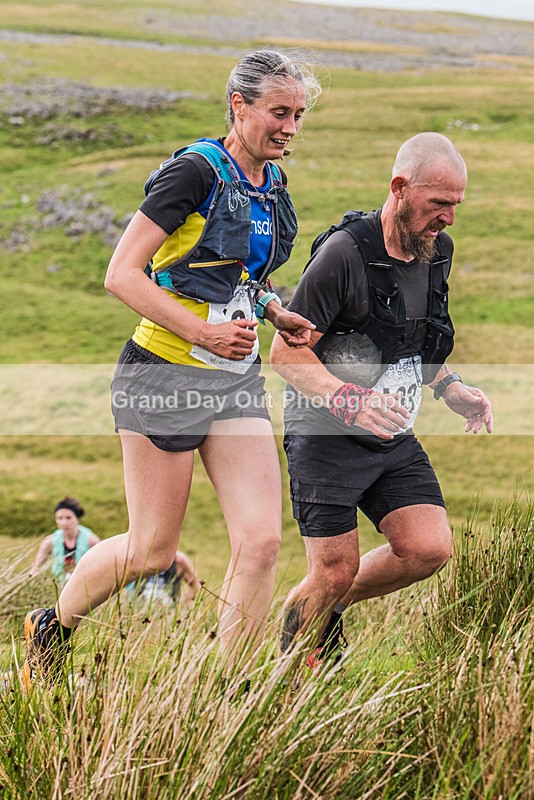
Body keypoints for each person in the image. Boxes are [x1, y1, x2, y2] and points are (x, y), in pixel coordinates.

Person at [22, 49, 321, 688]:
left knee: (263, 541)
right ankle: (53, 625)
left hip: (233, 381)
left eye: (298, 114)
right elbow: (121, 274)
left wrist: (273, 309)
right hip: (162, 372)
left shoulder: (271, 182)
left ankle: (225, 693)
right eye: (279, 112)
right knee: (153, 549)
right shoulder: (193, 172)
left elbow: (233, 267)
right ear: (238, 105)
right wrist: (203, 331)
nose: (290, 126)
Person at [271, 132, 493, 667]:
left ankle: (322, 610)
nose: (448, 219)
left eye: (456, 205)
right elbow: (284, 353)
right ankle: (283, 690)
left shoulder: (436, 252)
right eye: (438, 203)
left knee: (428, 549)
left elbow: (414, 340)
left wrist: (449, 387)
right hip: (326, 434)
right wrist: (346, 398)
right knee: (333, 571)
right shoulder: (343, 255)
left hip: (391, 432)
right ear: (399, 188)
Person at [30, 497, 100, 588]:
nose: (64, 522)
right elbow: (36, 568)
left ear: (77, 518)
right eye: (60, 518)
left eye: (68, 518)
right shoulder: (50, 541)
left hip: (85, 586)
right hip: (58, 585)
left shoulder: (91, 541)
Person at [127, 550, 200, 608]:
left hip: (168, 611)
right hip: (139, 609)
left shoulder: (179, 560)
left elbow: (195, 584)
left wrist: (185, 604)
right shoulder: (139, 557)